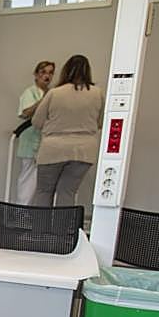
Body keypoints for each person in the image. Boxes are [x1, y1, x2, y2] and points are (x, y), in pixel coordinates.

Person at [30, 54, 104, 207]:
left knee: (44, 191)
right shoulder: (98, 93)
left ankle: (40, 230)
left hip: (53, 149)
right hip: (84, 150)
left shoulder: (55, 93)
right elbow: (100, 122)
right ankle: (62, 230)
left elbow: (37, 121)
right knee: (68, 192)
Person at [15, 60, 55, 204]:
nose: (47, 76)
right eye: (43, 72)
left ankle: (34, 211)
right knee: (27, 177)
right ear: (36, 74)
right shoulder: (30, 92)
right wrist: (43, 101)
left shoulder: (53, 93)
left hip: (47, 141)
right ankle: (22, 210)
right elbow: (25, 113)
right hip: (30, 139)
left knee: (41, 179)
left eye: (50, 73)